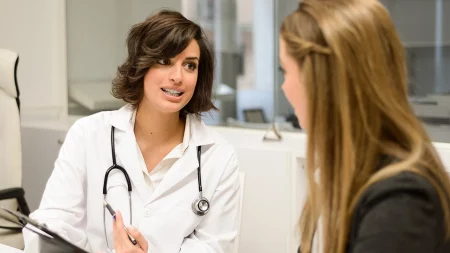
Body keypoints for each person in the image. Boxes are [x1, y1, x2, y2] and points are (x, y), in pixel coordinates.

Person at [23, 10, 241, 253]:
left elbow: (212, 247)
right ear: (142, 65)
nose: (178, 77)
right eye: (164, 61)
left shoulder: (219, 157)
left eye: (190, 65)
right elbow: (53, 222)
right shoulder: (88, 135)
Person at [278, 0, 450, 253]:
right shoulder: (343, 174)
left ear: (319, 81)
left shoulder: (401, 202)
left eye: (285, 71)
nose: (284, 87)